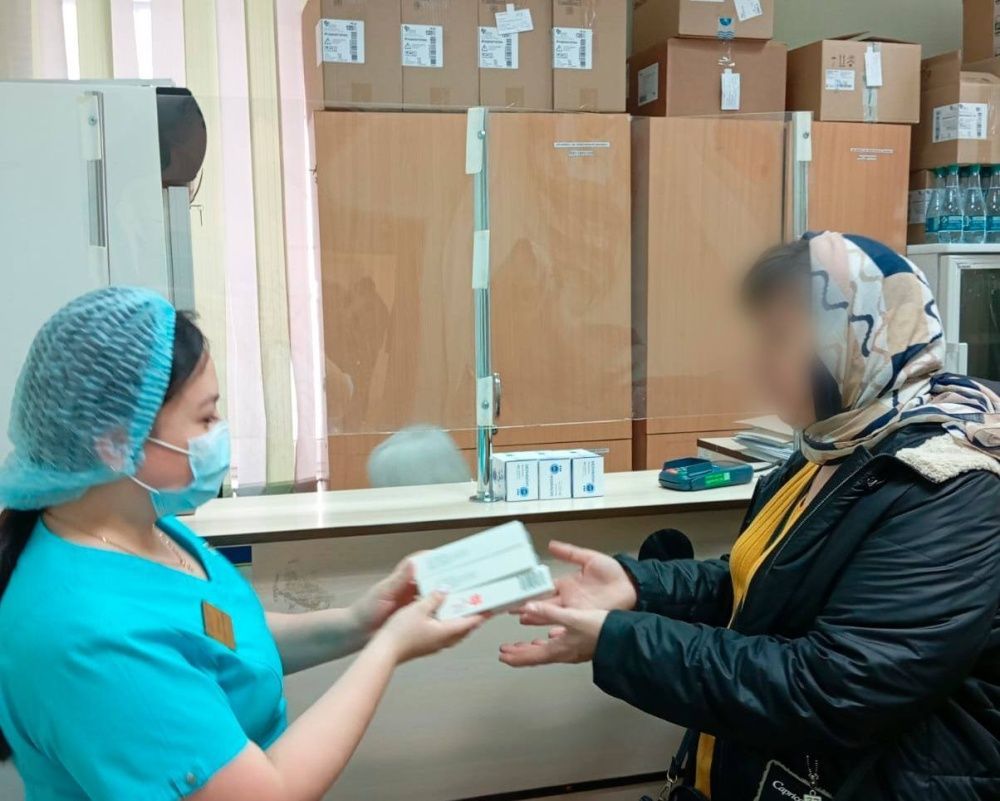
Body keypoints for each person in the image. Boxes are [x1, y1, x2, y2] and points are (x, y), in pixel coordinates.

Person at [500, 232, 1000, 801]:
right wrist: (639, 587)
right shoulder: (832, 446)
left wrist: (620, 642)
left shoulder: (947, 483)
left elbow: (835, 689)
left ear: (859, 341)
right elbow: (771, 587)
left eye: (780, 338)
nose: (758, 362)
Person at [0, 287, 485, 801]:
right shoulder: (92, 637)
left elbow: (218, 638)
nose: (221, 434)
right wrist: (388, 650)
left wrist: (361, 622)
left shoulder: (143, 525)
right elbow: (267, 793)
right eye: (206, 418)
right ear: (117, 445)